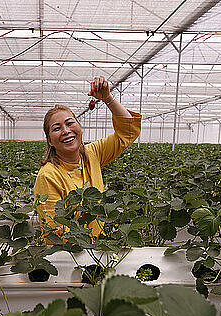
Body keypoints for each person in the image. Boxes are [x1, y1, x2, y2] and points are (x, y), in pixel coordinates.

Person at [34, 76, 142, 238]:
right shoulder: (48, 176)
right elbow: (55, 231)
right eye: (57, 128)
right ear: (50, 141)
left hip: (99, 247)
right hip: (69, 255)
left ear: (80, 127)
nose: (65, 131)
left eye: (70, 123)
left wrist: (107, 98)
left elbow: (128, 131)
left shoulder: (93, 154)